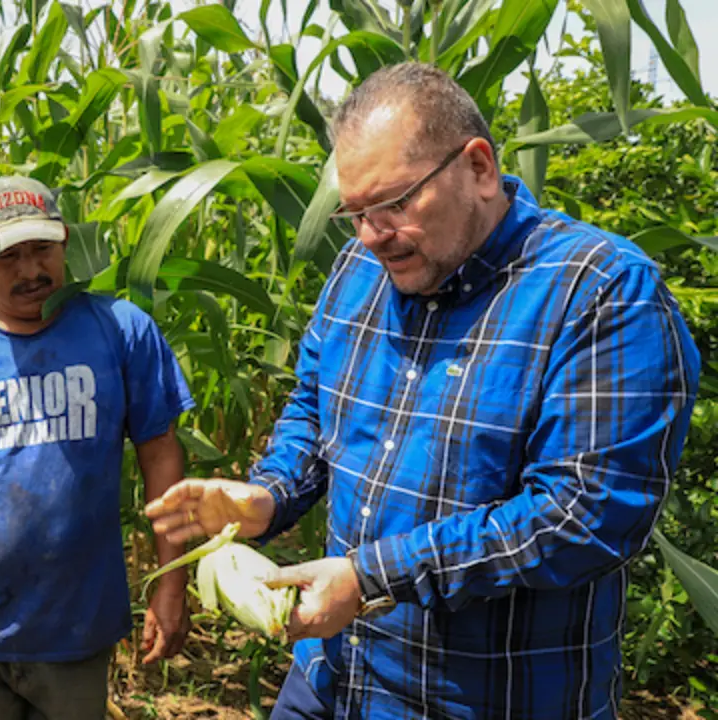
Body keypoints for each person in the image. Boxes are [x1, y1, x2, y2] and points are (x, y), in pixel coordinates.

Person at [146, 62, 701, 719]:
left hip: (489, 698)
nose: (371, 235)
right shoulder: (359, 269)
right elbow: (315, 409)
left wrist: (369, 579)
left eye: (396, 203)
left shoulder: (600, 293)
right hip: (331, 679)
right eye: (354, 212)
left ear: (479, 167)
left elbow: (586, 514)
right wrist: (269, 495)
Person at [0, 176, 195, 719]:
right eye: (7, 257)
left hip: (77, 630)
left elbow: (161, 455)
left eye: (42, 250)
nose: (30, 272)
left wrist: (172, 582)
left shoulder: (122, 331)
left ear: (65, 240)